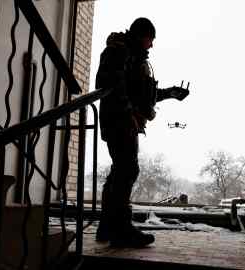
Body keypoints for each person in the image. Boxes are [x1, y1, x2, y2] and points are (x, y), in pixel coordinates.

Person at [95, 17, 189, 248]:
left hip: (125, 122)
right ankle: (121, 229)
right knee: (127, 170)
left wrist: (171, 94)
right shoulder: (118, 52)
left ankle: (107, 226)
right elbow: (112, 87)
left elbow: (140, 94)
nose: (152, 45)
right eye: (150, 39)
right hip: (120, 122)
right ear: (141, 35)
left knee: (120, 171)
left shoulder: (132, 56)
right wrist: (129, 116)